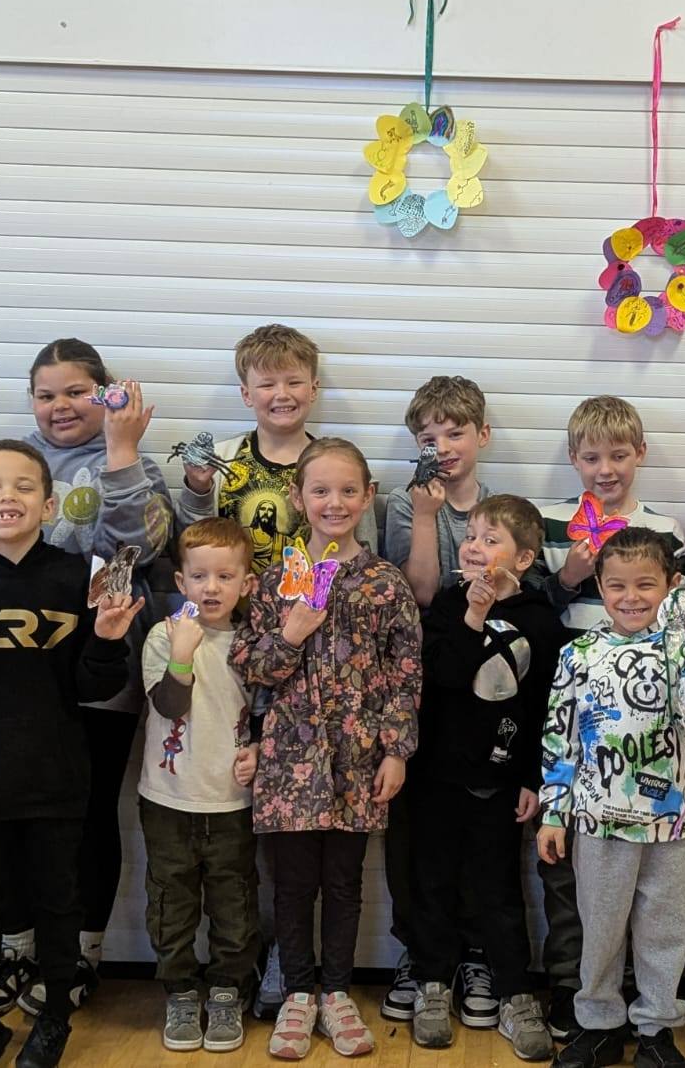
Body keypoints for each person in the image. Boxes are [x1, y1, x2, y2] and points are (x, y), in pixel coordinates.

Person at [0, 339, 171, 1019]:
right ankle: (16, 947)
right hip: (2, 684)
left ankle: (82, 953)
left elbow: (138, 552)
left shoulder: (134, 464)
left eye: (77, 391)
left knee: (88, 817)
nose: (61, 405)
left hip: (98, 672)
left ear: (105, 394)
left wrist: (123, 455)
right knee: (5, 823)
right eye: (46, 393)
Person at [0, 439, 144, 1068]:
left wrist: (107, 641)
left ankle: (56, 1018)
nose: (7, 496)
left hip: (57, 772)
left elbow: (95, 687)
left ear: (50, 502)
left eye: (22, 486)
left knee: (57, 901)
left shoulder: (77, 574)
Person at [230, 438, 420, 1060]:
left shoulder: (386, 584)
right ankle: (297, 993)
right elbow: (251, 664)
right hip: (288, 759)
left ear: (368, 497)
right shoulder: (275, 581)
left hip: (357, 758)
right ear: (297, 497)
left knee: (343, 881)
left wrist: (396, 749)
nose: (333, 502)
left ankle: (337, 992)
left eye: (347, 491)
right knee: (290, 884)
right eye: (320, 490)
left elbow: (404, 671)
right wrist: (290, 635)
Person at [538, 528, 685, 1068]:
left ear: (671, 584)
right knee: (599, 927)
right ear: (599, 585)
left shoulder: (683, 650)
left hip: (668, 828)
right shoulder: (580, 654)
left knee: (664, 929)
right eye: (617, 585)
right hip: (597, 823)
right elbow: (560, 736)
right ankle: (597, 1024)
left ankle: (656, 1030)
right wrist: (554, 812)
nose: (631, 597)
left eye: (646, 585)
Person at [535, 396, 685, 1038]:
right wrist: (571, 569)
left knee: (654, 899)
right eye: (591, 456)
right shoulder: (549, 522)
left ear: (640, 455)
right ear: (574, 459)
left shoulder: (665, 531)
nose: (605, 468)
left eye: (619, 454)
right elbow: (539, 610)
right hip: (579, 717)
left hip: (655, 748)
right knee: (579, 882)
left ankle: (647, 1009)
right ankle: (577, 994)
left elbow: (682, 628)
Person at [409, 495, 566, 1060]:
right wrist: (472, 616)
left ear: (523, 559)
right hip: (437, 775)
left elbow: (547, 705)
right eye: (471, 535)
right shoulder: (449, 606)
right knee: (433, 882)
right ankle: (432, 982)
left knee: (499, 889)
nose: (474, 547)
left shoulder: (542, 621)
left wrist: (533, 777)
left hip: (501, 780)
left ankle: (515, 991)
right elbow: (444, 676)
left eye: (489, 538)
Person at [380, 374, 497, 1026]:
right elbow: (419, 593)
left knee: (476, 821)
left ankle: (475, 948)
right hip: (416, 682)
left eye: (456, 432)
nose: (444, 445)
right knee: (415, 828)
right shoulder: (403, 504)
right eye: (430, 436)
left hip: (480, 690)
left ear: (482, 435)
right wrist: (425, 516)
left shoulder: (501, 510)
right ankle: (420, 950)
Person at [139, 518, 261, 1054]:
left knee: (234, 900)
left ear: (246, 583)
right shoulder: (164, 636)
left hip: (233, 802)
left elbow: (268, 712)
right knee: (171, 900)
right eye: (199, 576)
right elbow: (170, 704)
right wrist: (183, 652)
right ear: (181, 582)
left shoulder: (254, 642)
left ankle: (228, 990)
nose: (211, 587)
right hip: (168, 800)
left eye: (224, 576)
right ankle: (182, 990)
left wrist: (257, 750)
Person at [174, 323, 379, 566]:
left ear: (313, 389)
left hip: (322, 603)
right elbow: (189, 552)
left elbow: (367, 559)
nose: (282, 394)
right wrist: (199, 488)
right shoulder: (219, 461)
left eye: (294, 383)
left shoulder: (343, 466)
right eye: (267, 385)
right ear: (246, 394)